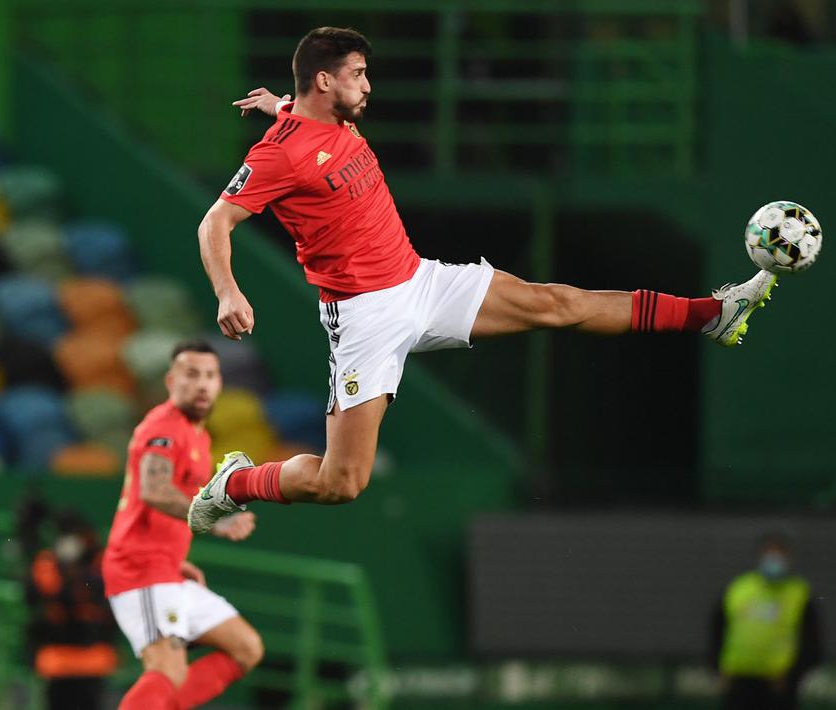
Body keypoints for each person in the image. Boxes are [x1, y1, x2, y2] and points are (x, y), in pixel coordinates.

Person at [187, 26, 780, 532]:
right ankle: (238, 482)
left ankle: (712, 314)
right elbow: (216, 220)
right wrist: (228, 290)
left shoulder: (320, 118)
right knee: (341, 482)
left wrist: (276, 105)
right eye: (358, 74)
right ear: (324, 80)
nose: (368, 85)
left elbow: (303, 126)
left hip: (420, 280)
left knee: (557, 302)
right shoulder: (279, 154)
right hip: (364, 317)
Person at [103, 340, 265, 710]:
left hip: (165, 567)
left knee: (245, 648)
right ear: (171, 380)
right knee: (167, 669)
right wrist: (217, 521)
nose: (203, 384)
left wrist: (175, 558)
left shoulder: (198, 434)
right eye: (192, 375)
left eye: (211, 375)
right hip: (140, 568)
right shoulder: (163, 427)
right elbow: (155, 491)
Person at [710, 533, 823, 710]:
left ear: (788, 558)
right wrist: (718, 668)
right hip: (739, 683)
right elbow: (716, 630)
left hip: (778, 685)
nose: (773, 559)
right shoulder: (738, 589)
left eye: (779, 553)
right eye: (768, 553)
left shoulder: (799, 594)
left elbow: (812, 644)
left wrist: (793, 677)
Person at [25, 509, 118, 710]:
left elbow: (101, 595)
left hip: (92, 660)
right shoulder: (48, 564)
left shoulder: (98, 563)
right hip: (57, 661)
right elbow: (37, 595)